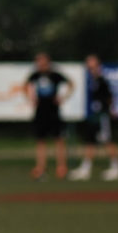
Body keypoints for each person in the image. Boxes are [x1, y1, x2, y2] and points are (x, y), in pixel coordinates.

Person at [69, 54, 118, 181]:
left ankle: (116, 168)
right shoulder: (88, 81)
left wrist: (111, 110)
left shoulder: (102, 81)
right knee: (90, 141)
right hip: (92, 115)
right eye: (89, 66)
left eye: (93, 66)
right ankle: (85, 169)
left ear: (98, 66)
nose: (90, 68)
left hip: (102, 115)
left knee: (107, 140)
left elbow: (110, 98)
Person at [25, 52, 72, 180]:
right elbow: (26, 86)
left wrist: (63, 97)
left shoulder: (55, 75)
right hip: (40, 111)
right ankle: (41, 168)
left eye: (42, 61)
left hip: (53, 111)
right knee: (40, 140)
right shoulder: (35, 75)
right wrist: (31, 97)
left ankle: (61, 167)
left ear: (48, 61)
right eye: (38, 61)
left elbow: (71, 84)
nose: (40, 64)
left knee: (59, 139)